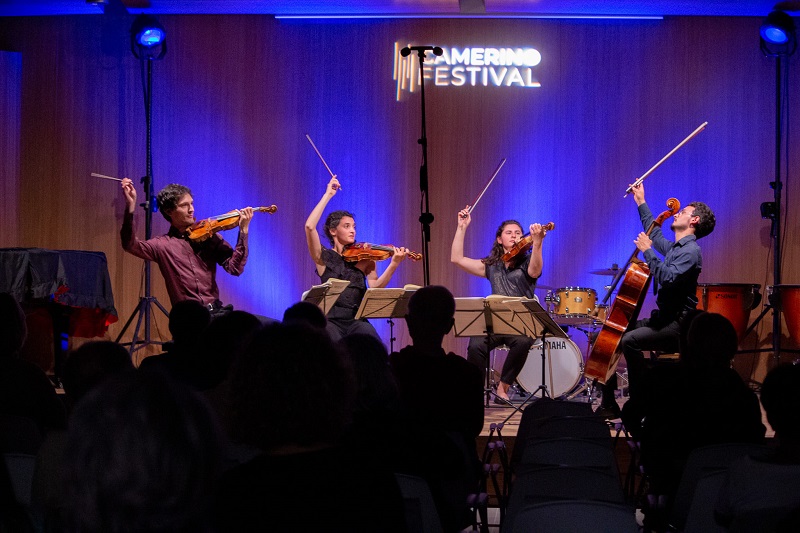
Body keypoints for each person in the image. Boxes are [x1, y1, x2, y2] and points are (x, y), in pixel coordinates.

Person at [597, 183, 716, 418]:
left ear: (695, 221)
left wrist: (648, 251)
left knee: (630, 340)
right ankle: (608, 402)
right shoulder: (676, 248)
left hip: (678, 325)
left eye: (684, 212)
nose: (678, 212)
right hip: (662, 320)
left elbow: (668, 277)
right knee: (614, 332)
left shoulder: (691, 252)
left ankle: (642, 399)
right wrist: (641, 200)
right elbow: (654, 232)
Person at [450, 207, 547, 403]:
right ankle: (474, 392)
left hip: (518, 323)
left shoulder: (528, 261)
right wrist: (461, 227)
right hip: (494, 322)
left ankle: (503, 388)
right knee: (476, 344)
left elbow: (535, 272)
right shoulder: (492, 265)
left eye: (518, 233)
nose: (514, 236)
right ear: (499, 239)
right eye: (509, 233)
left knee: (524, 341)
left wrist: (538, 244)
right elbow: (457, 259)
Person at [120, 178, 254, 314]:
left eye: (191, 204)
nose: (191, 209)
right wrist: (130, 207)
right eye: (184, 205)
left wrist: (243, 231)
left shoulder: (209, 237)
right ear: (168, 211)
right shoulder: (161, 245)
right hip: (188, 319)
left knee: (260, 327)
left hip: (216, 313)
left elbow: (235, 268)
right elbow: (129, 245)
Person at [304, 176, 409, 342]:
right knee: (332, 346)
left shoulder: (366, 258)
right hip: (331, 321)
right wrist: (328, 195)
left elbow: (375, 287)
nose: (352, 230)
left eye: (354, 226)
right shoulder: (323, 258)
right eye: (347, 226)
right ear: (333, 231)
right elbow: (310, 227)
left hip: (357, 320)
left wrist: (394, 264)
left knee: (372, 343)